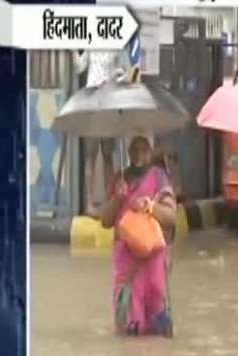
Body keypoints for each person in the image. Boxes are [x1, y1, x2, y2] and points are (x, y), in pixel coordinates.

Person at [101, 136, 176, 336]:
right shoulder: (120, 179)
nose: (139, 155)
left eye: (144, 150)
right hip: (126, 265)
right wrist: (118, 198)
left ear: (151, 153)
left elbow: (171, 217)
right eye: (134, 150)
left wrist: (149, 206)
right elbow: (105, 221)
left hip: (153, 265)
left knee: (157, 330)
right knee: (127, 329)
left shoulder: (159, 178)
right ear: (127, 153)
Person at [74, 50, 131, 216]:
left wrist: (116, 77)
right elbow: (79, 67)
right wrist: (72, 49)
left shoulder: (117, 44)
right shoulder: (91, 41)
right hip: (91, 101)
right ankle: (89, 203)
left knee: (107, 155)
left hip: (109, 102)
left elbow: (126, 72)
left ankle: (108, 201)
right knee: (90, 155)